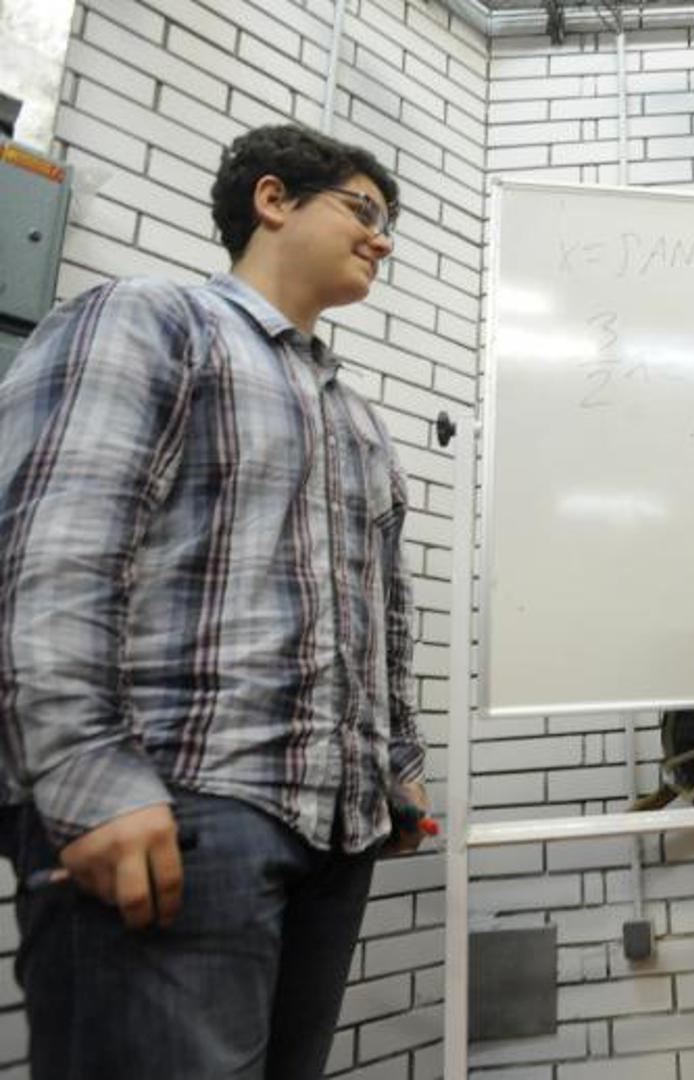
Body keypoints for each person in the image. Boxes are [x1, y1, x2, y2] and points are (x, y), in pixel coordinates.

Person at [0, 124, 428, 1080]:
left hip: (333, 832)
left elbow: (385, 611)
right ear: (272, 200)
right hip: (175, 809)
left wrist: (397, 765)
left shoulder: (357, 418)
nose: (382, 239)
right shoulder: (153, 320)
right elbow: (47, 552)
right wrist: (87, 775)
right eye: (363, 210)